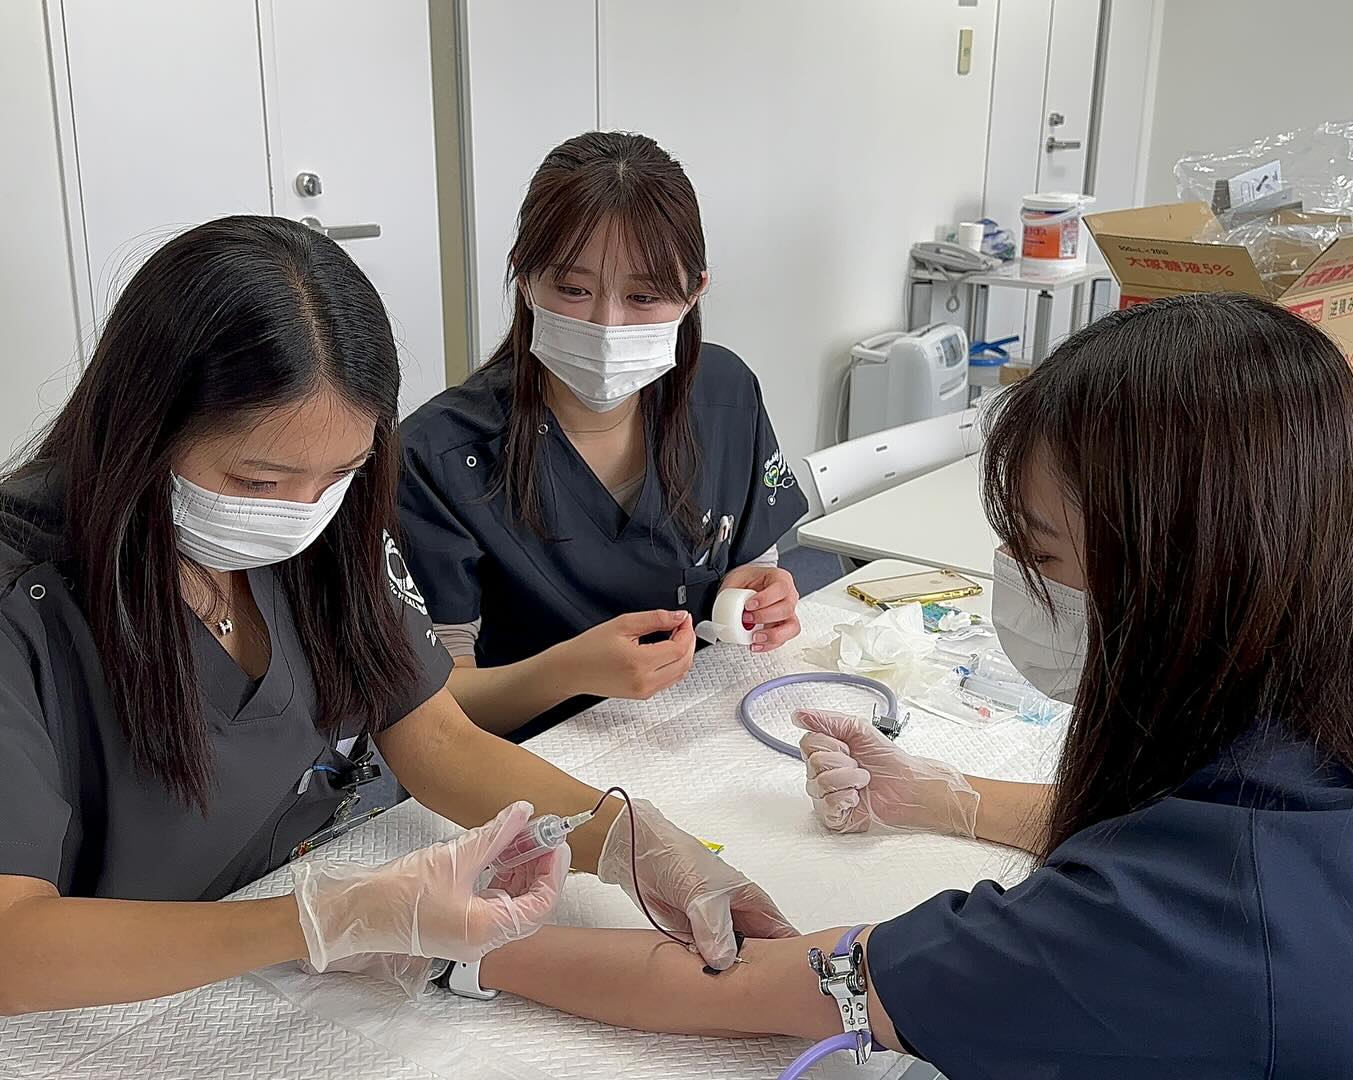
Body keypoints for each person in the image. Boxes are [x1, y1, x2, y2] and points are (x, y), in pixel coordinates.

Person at [444, 294, 1353, 1077]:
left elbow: (745, 985)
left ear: (1181, 579)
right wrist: (940, 797)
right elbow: (1192, 830)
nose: (1014, 575)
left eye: (1038, 549)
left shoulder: (1135, 932)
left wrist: (452, 944)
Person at [0, 216, 794, 1018]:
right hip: (122, 984)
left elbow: (433, 737)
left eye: (340, 472)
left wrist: (625, 839)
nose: (300, 513)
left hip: (316, 911)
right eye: (257, 482)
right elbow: (11, 946)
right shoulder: (24, 604)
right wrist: (321, 920)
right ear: (142, 426)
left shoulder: (328, 524)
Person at [399, 132, 808, 739]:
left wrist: (758, 595)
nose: (607, 324)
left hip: (693, 725)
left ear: (694, 291)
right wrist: (565, 673)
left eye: (644, 296)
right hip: (529, 757)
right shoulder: (441, 455)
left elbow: (750, 559)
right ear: (525, 278)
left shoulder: (725, 393)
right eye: (573, 289)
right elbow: (436, 709)